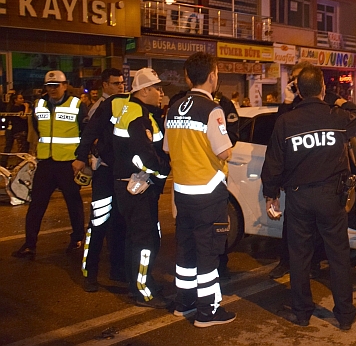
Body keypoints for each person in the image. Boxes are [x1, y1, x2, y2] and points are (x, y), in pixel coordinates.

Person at [261, 65, 356, 330]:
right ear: (322, 88)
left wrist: (270, 194)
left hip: (299, 198)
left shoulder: (286, 122)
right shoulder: (336, 117)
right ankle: (344, 314)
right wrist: (337, 98)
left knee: (299, 257)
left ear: (298, 91)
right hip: (331, 197)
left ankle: (302, 311)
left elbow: (273, 162)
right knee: (338, 256)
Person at [164, 52, 236, 327]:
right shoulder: (212, 110)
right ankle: (208, 312)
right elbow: (224, 151)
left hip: (183, 191)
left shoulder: (173, 108)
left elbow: (168, 150)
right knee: (208, 252)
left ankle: (185, 303)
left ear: (186, 77)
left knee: (186, 251)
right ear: (212, 76)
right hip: (208, 192)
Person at [268, 61, 341, 280]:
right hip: (297, 184)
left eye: (300, 78)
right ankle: (286, 262)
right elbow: (278, 132)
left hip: (322, 180)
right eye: (294, 79)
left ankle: (314, 263)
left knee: (319, 231)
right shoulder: (292, 108)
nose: (296, 83)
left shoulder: (326, 101)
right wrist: (288, 100)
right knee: (291, 230)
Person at [12, 70, 88, 259]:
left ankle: (77, 239)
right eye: (49, 86)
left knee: (74, 203)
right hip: (46, 163)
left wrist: (82, 158)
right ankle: (30, 244)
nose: (53, 89)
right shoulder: (39, 105)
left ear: (65, 85)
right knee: (36, 204)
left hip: (68, 164)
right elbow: (38, 129)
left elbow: (86, 133)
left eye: (56, 85)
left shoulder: (76, 105)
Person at [112, 68, 170, 308]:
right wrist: (163, 171)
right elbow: (143, 156)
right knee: (145, 241)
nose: (160, 93)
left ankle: (137, 283)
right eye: (157, 88)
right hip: (139, 187)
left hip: (129, 185)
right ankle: (142, 290)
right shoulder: (138, 115)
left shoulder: (132, 109)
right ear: (144, 90)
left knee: (136, 239)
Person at [72, 68, 127, 292]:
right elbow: (89, 133)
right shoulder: (102, 107)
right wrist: (80, 156)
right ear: (105, 85)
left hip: (119, 173)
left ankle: (117, 269)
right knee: (98, 223)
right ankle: (90, 273)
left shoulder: (125, 105)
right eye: (115, 83)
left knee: (119, 223)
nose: (120, 87)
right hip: (104, 173)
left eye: (122, 83)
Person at [0, 93, 30, 168]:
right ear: (15, 100)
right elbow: (24, 117)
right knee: (22, 149)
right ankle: (20, 165)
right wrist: (26, 107)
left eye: (22, 98)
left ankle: (4, 163)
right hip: (19, 130)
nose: (22, 100)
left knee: (17, 147)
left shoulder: (14, 107)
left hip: (16, 130)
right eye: (20, 98)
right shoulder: (15, 108)